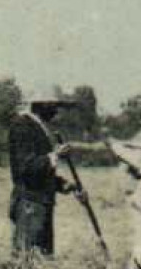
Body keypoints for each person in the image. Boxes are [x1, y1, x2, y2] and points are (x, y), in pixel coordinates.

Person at [8, 93, 84, 255]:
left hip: (41, 204)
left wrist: (63, 184)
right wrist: (56, 155)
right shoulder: (22, 125)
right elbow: (26, 168)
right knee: (27, 258)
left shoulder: (40, 127)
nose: (57, 111)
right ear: (41, 104)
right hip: (30, 204)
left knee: (42, 258)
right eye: (54, 106)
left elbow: (39, 172)